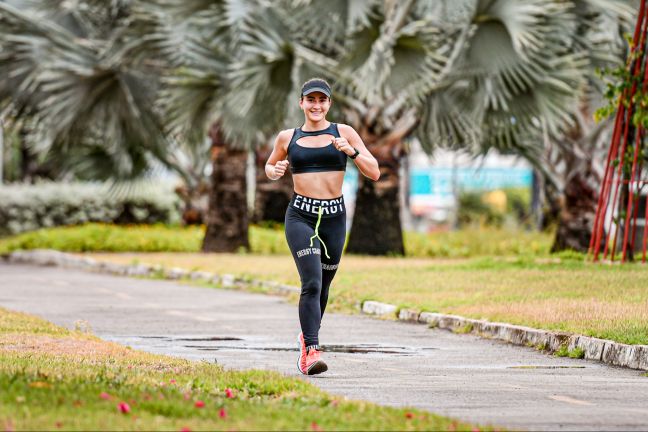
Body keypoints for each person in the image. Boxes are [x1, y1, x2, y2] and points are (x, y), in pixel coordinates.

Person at [265, 78, 380, 375]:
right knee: (312, 282)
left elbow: (375, 172)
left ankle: (307, 338)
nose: (316, 106)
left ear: (329, 104)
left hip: (334, 217)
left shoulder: (344, 132)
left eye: (322, 100)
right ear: (301, 103)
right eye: (310, 100)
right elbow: (270, 165)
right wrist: (275, 170)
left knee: (325, 286)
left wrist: (351, 152)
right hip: (301, 216)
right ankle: (311, 352)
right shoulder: (286, 137)